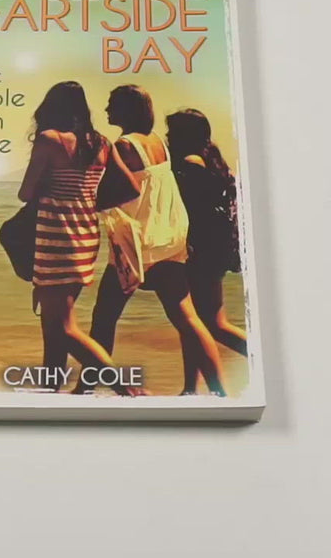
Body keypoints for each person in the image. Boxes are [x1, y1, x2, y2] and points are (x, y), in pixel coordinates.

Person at [80, 85, 226, 395]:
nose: (106, 110)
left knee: (104, 317)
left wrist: (89, 203)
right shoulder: (158, 142)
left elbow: (116, 191)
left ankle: (85, 388)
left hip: (137, 243)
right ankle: (219, 392)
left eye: (112, 104)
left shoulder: (124, 146)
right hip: (168, 238)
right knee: (187, 319)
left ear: (126, 109)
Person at [17, 81, 139, 395]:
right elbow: (131, 188)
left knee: (63, 328)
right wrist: (87, 201)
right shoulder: (101, 143)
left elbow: (25, 193)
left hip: (56, 238)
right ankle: (50, 395)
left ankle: (125, 389)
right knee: (54, 326)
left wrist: (56, 192)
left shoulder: (50, 139)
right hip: (85, 236)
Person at [166, 108, 247, 393]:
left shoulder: (191, 164)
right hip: (214, 252)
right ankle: (190, 389)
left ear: (183, 136)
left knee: (210, 325)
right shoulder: (212, 161)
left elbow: (195, 210)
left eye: (172, 132)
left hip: (200, 253)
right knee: (197, 324)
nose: (167, 137)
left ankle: (256, 360)